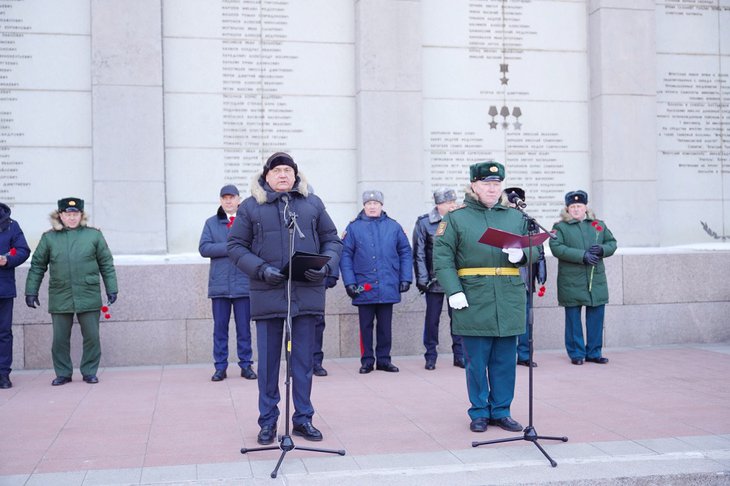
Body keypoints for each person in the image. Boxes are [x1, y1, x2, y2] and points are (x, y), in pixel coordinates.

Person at [227, 152, 342, 445]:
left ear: (296, 176)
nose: (282, 175)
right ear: (266, 177)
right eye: (277, 170)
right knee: (267, 365)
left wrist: (326, 266)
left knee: (303, 363)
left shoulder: (312, 204)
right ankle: (267, 422)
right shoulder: (252, 207)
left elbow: (332, 240)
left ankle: (303, 418)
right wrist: (261, 269)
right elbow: (236, 246)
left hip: (305, 295)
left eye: (288, 170)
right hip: (268, 295)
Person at [433, 161, 538, 434]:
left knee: (505, 361)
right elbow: (442, 259)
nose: (492, 189)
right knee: (477, 361)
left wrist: (524, 255)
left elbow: (535, 248)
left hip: (508, 297)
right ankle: (479, 411)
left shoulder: (515, 217)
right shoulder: (456, 218)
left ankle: (501, 410)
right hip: (473, 297)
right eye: (486, 184)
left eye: (496, 184)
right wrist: (454, 290)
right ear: (473, 186)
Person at [25, 197, 118, 386]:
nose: (72, 218)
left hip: (88, 292)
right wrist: (31, 291)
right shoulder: (49, 238)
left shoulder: (94, 236)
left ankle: (89, 371)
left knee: (92, 336)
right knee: (60, 339)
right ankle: (63, 373)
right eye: (68, 214)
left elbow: (106, 264)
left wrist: (112, 288)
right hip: (61, 293)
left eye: (75, 214)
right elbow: (37, 266)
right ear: (60, 215)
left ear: (81, 215)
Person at [340, 190, 413, 374]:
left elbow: (405, 252)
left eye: (376, 203)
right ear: (364, 206)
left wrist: (405, 278)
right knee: (365, 327)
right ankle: (366, 361)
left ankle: (384, 360)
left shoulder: (394, 227)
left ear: (382, 205)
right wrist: (349, 282)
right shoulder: (353, 228)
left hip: (388, 285)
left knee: (385, 327)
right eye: (368, 203)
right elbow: (346, 256)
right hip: (363, 286)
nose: (372, 206)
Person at [549, 190, 617, 365]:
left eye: (579, 206)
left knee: (596, 318)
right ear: (567, 208)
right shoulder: (560, 227)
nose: (576, 209)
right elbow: (557, 247)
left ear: (586, 207)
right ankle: (577, 353)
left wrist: (602, 250)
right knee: (573, 320)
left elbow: (612, 243)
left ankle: (594, 352)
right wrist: (582, 255)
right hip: (571, 281)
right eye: (573, 207)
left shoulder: (598, 225)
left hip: (596, 280)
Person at [199, 184, 257, 382]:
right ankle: (220, 367)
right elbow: (205, 248)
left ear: (239, 200)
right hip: (220, 285)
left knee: (244, 329)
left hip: (243, 284)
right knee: (220, 329)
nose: (228, 201)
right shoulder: (211, 223)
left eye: (232, 197)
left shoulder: (247, 222)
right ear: (220, 200)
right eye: (225, 197)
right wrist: (232, 247)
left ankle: (246, 365)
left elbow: (255, 247)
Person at [412, 187, 464, 370]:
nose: (452, 205)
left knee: (458, 318)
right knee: (432, 319)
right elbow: (418, 253)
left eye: (453, 202)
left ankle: (459, 355)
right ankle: (430, 355)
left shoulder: (460, 220)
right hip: (434, 280)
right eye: (448, 203)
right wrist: (422, 279)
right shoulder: (425, 223)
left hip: (456, 278)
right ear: (438, 205)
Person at [503, 187, 547, 368]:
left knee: (526, 319)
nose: (514, 204)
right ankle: (506, 355)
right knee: (507, 318)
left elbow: (539, 248)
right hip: (507, 276)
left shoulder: (529, 221)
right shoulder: (502, 220)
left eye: (517, 201)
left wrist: (542, 272)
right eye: (511, 201)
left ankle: (524, 354)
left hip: (526, 276)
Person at [0, 203, 31, 389]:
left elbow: (23, 250)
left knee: (3, 333)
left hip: (3, 290)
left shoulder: (11, 225)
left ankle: (3, 374)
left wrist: (7, 260)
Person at [312, 268, 338, 377]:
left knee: (318, 322)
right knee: (294, 323)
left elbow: (333, 251)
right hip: (294, 280)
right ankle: (294, 362)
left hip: (318, 278)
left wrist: (333, 274)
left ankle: (316, 362)